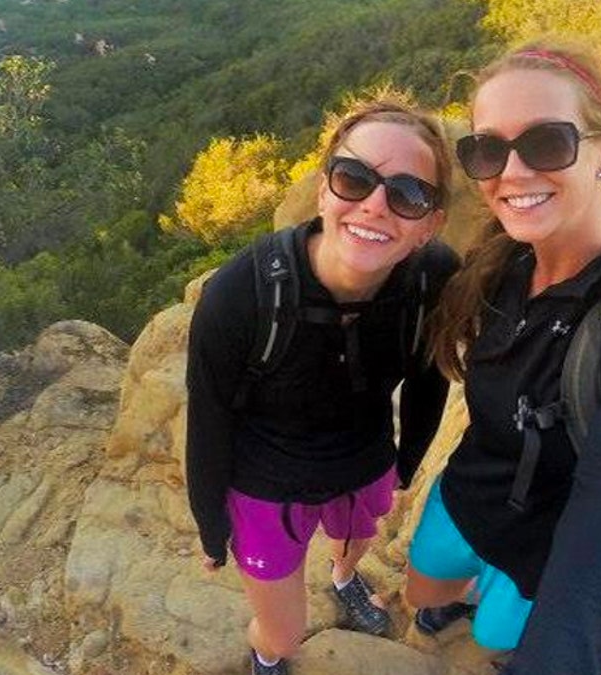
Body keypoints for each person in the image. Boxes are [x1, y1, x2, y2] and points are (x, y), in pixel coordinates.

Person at [405, 44, 601, 674]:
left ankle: (485, 609)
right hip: (469, 491)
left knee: (493, 635)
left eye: (545, 143)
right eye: (487, 150)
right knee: (422, 593)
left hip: (548, 539)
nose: (510, 173)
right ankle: (448, 605)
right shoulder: (504, 258)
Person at [186, 99, 459, 675]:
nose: (375, 205)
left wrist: (407, 461)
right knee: (285, 636)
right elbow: (207, 419)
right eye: (354, 178)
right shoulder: (244, 292)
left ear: (430, 223)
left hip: (363, 460)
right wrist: (213, 527)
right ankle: (268, 656)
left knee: (355, 540)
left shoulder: (434, 278)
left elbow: (429, 377)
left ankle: (342, 576)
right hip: (266, 483)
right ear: (323, 189)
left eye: (408, 195)